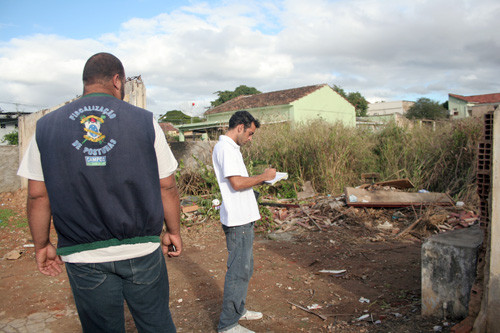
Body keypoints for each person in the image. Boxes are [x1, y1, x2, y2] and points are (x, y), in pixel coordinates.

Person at [17, 52, 182, 333]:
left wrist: (42, 244)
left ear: (86, 82)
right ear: (117, 81)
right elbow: (166, 185)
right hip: (140, 248)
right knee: (156, 323)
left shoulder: (45, 128)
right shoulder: (144, 121)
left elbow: (37, 195)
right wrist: (173, 230)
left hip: (83, 255)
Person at [212, 110, 276, 333]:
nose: (250, 138)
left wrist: (261, 180)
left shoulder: (232, 149)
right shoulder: (225, 149)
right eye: (249, 133)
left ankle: (237, 311)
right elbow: (237, 184)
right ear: (240, 127)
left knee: (245, 269)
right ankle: (228, 324)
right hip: (237, 219)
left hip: (244, 216)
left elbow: (240, 183)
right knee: (238, 270)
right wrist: (264, 177)